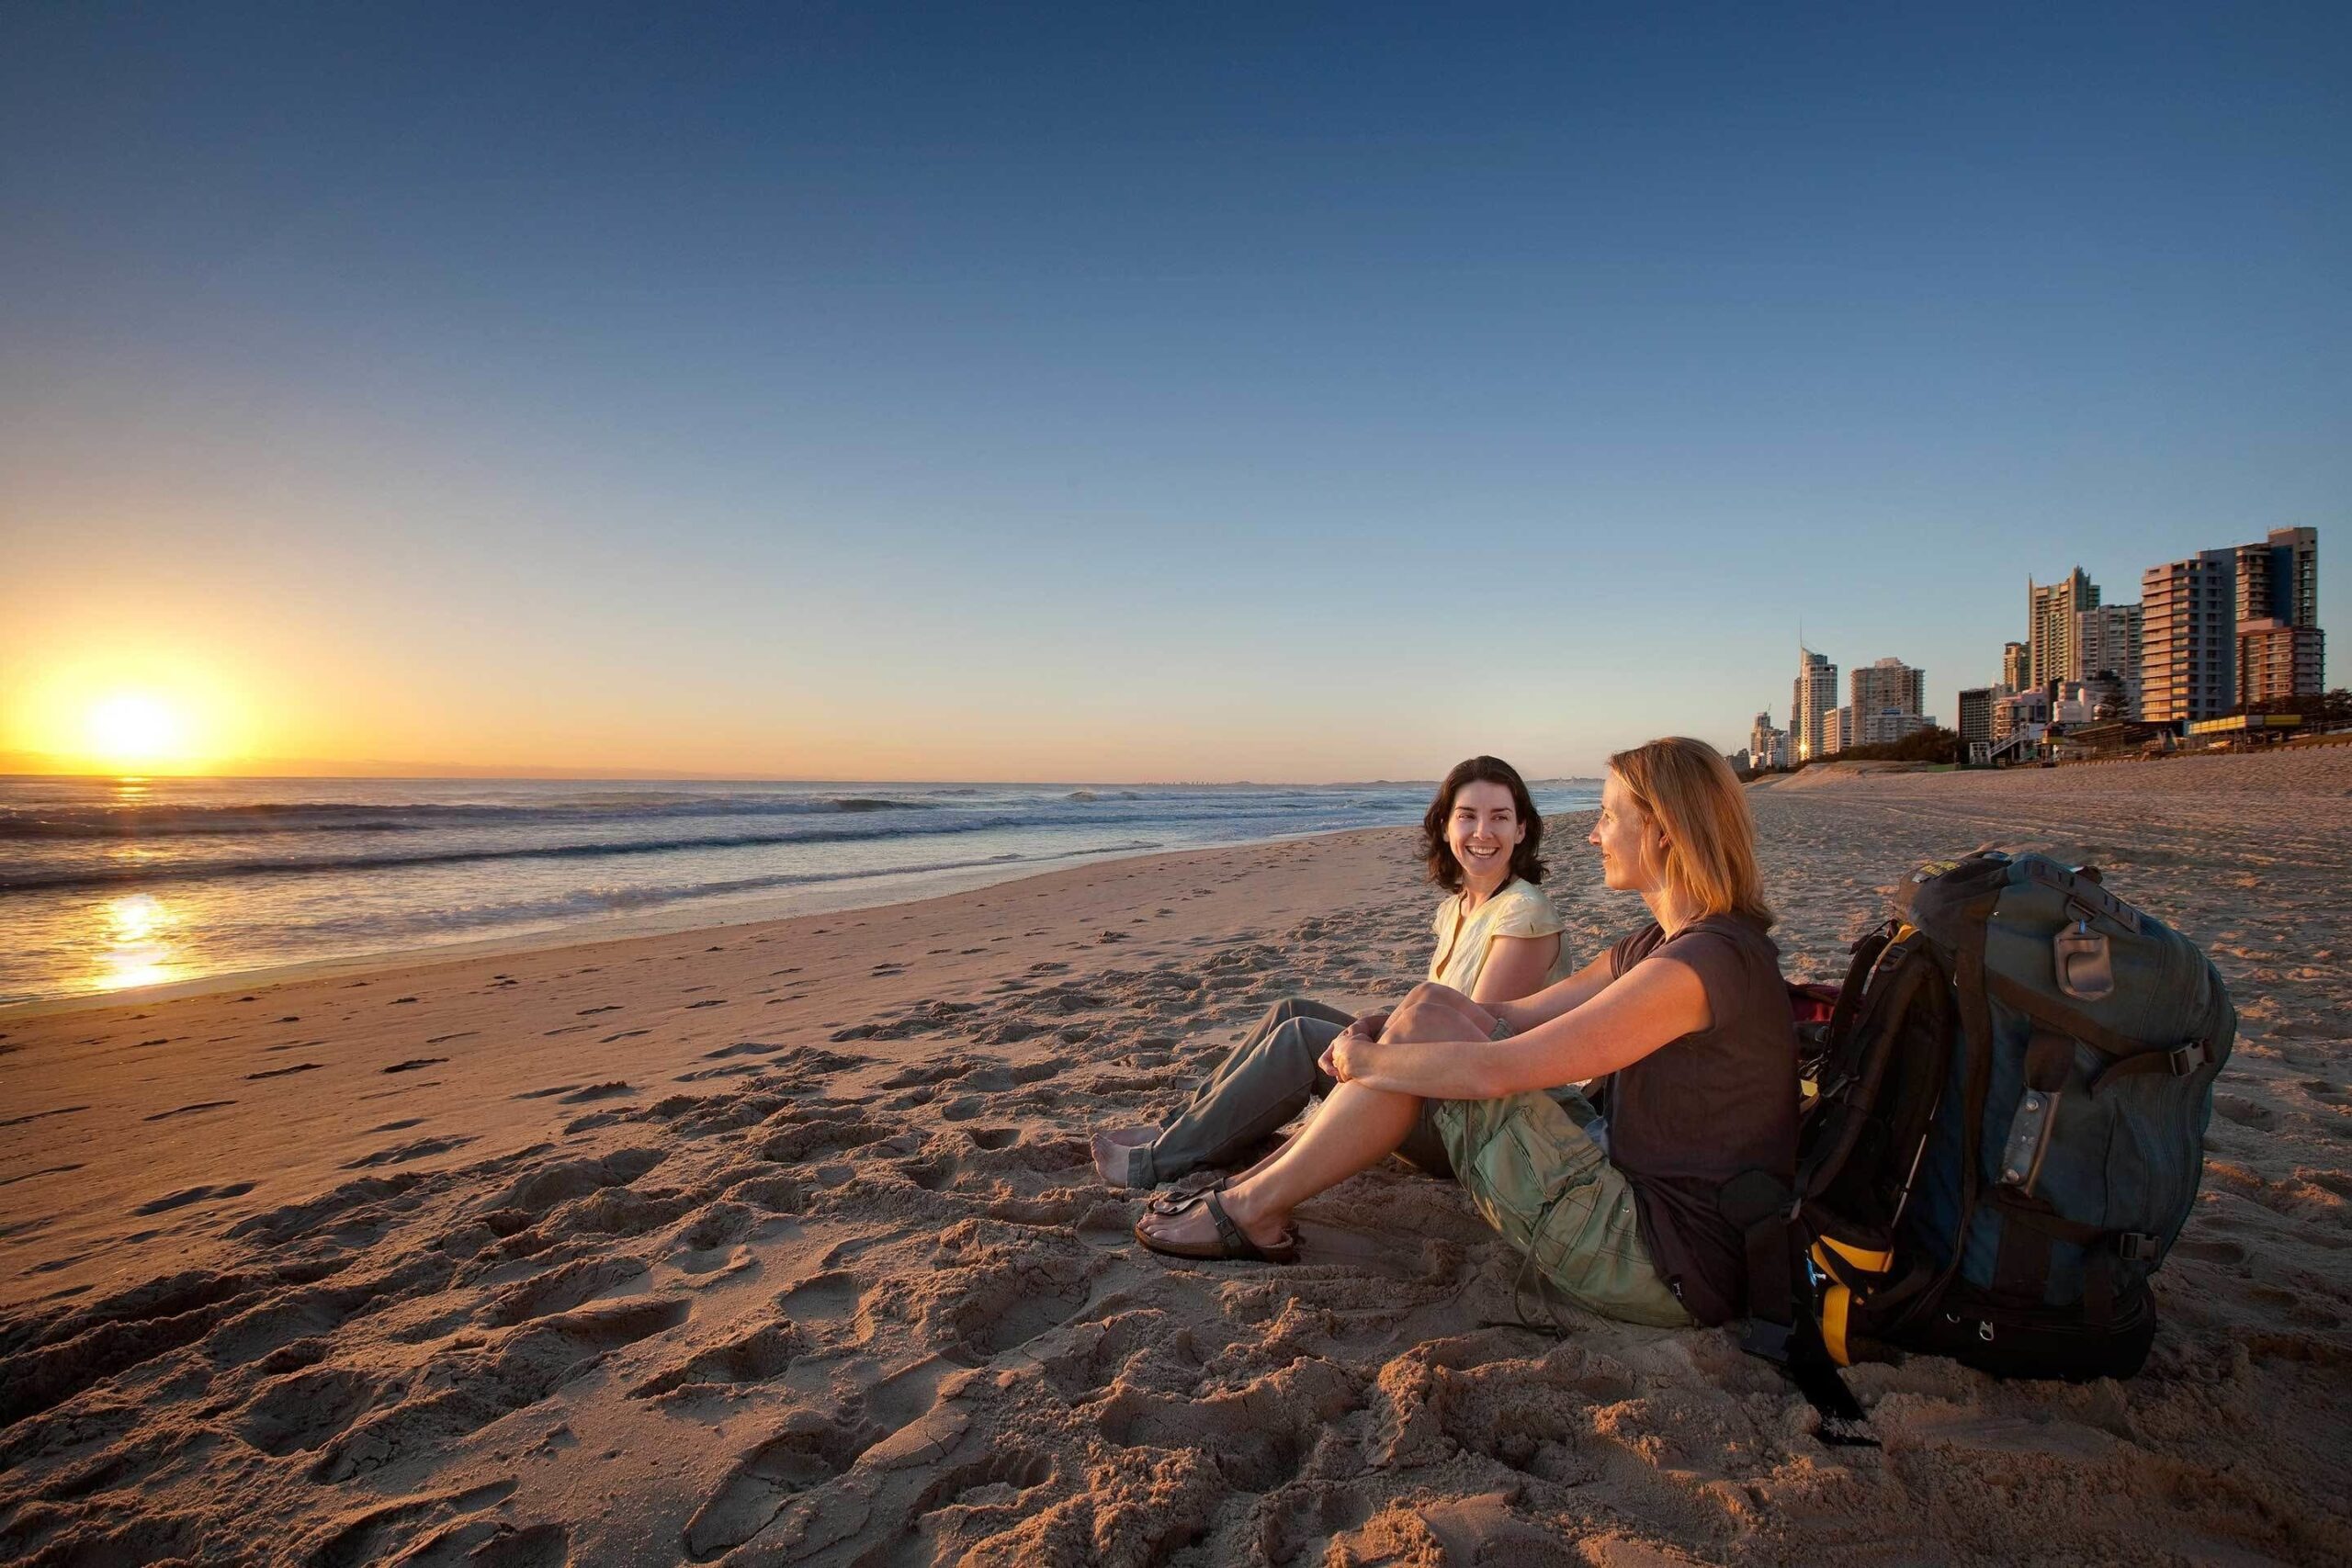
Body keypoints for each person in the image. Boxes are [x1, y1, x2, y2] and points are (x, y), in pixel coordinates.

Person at [1134, 737, 1795, 1333]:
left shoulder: (1697, 967)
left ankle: (1248, 1206)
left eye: (1608, 816)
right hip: (1628, 1180)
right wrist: (1388, 1028)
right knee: (1427, 1005)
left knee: (1424, 1042)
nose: (1594, 835)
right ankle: (1250, 1197)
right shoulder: (1664, 943)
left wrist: (1369, 1059)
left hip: (1659, 1258)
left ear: (1662, 831)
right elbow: (1513, 1016)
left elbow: (1497, 1070)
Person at [1091, 756, 1569, 1190]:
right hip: (1430, 1089)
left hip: (1471, 1129)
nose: (1482, 832)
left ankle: (1152, 1164)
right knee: (1291, 1009)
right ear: (1445, 827)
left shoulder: (1524, 915)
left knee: (1303, 1039)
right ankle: (1182, 1126)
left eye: (1499, 817)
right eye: (1467, 816)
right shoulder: (1455, 909)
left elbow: (1475, 1053)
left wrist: (1370, 1048)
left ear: (1522, 830)